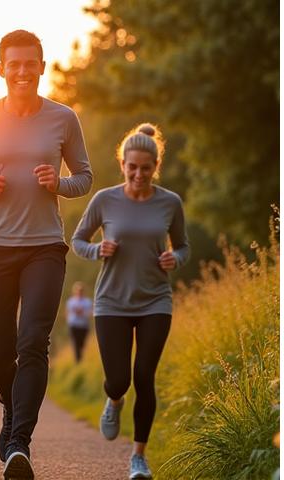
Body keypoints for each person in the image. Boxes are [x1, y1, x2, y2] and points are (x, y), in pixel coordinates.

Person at [0, 30, 93, 479]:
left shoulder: (63, 118)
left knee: (34, 342)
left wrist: (59, 184)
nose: (22, 71)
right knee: (0, 351)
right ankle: (11, 409)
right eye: (14, 64)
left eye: (30, 63)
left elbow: (84, 176)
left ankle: (19, 444)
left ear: (42, 67)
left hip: (44, 247)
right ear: (1, 69)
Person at [71, 123, 189, 479]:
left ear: (156, 166)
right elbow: (77, 240)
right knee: (119, 379)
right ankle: (114, 400)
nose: (139, 174)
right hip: (111, 303)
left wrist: (175, 259)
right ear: (122, 164)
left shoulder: (170, 202)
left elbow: (182, 246)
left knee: (144, 375)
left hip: (155, 300)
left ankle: (138, 456)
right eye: (132, 167)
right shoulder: (105, 200)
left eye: (146, 168)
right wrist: (97, 249)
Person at [65, 281, 93, 363]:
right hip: (73, 325)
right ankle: (77, 362)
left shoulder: (87, 301)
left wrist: (82, 312)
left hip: (84, 326)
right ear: (75, 291)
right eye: (78, 290)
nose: (79, 292)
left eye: (81, 290)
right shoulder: (70, 301)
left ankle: (80, 361)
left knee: (82, 345)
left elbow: (91, 313)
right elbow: (67, 313)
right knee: (76, 344)